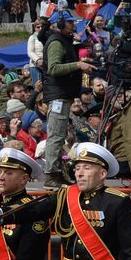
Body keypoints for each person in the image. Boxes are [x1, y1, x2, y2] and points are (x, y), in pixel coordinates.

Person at [41, 11, 94, 181]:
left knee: (59, 134)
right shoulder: (56, 42)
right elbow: (54, 68)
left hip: (62, 94)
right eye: (70, 23)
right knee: (56, 135)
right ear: (60, 24)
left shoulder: (63, 40)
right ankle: (51, 174)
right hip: (58, 95)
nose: (73, 25)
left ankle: (56, 171)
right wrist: (78, 64)